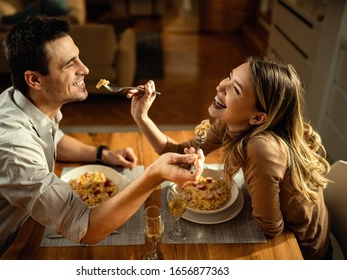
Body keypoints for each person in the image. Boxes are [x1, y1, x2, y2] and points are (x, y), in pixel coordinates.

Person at [0, 15, 205, 259]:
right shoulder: (10, 146)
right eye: (69, 65)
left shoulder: (21, 98)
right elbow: (86, 227)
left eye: (78, 57)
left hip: (22, 224)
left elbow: (53, 138)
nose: (85, 69)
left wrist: (103, 154)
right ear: (34, 79)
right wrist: (154, 174)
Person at [128, 56, 332, 260]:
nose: (220, 86)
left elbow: (271, 228)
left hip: (301, 253)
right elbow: (180, 153)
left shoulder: (262, 149)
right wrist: (142, 117)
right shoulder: (231, 122)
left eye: (236, 89)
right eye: (229, 77)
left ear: (258, 117)